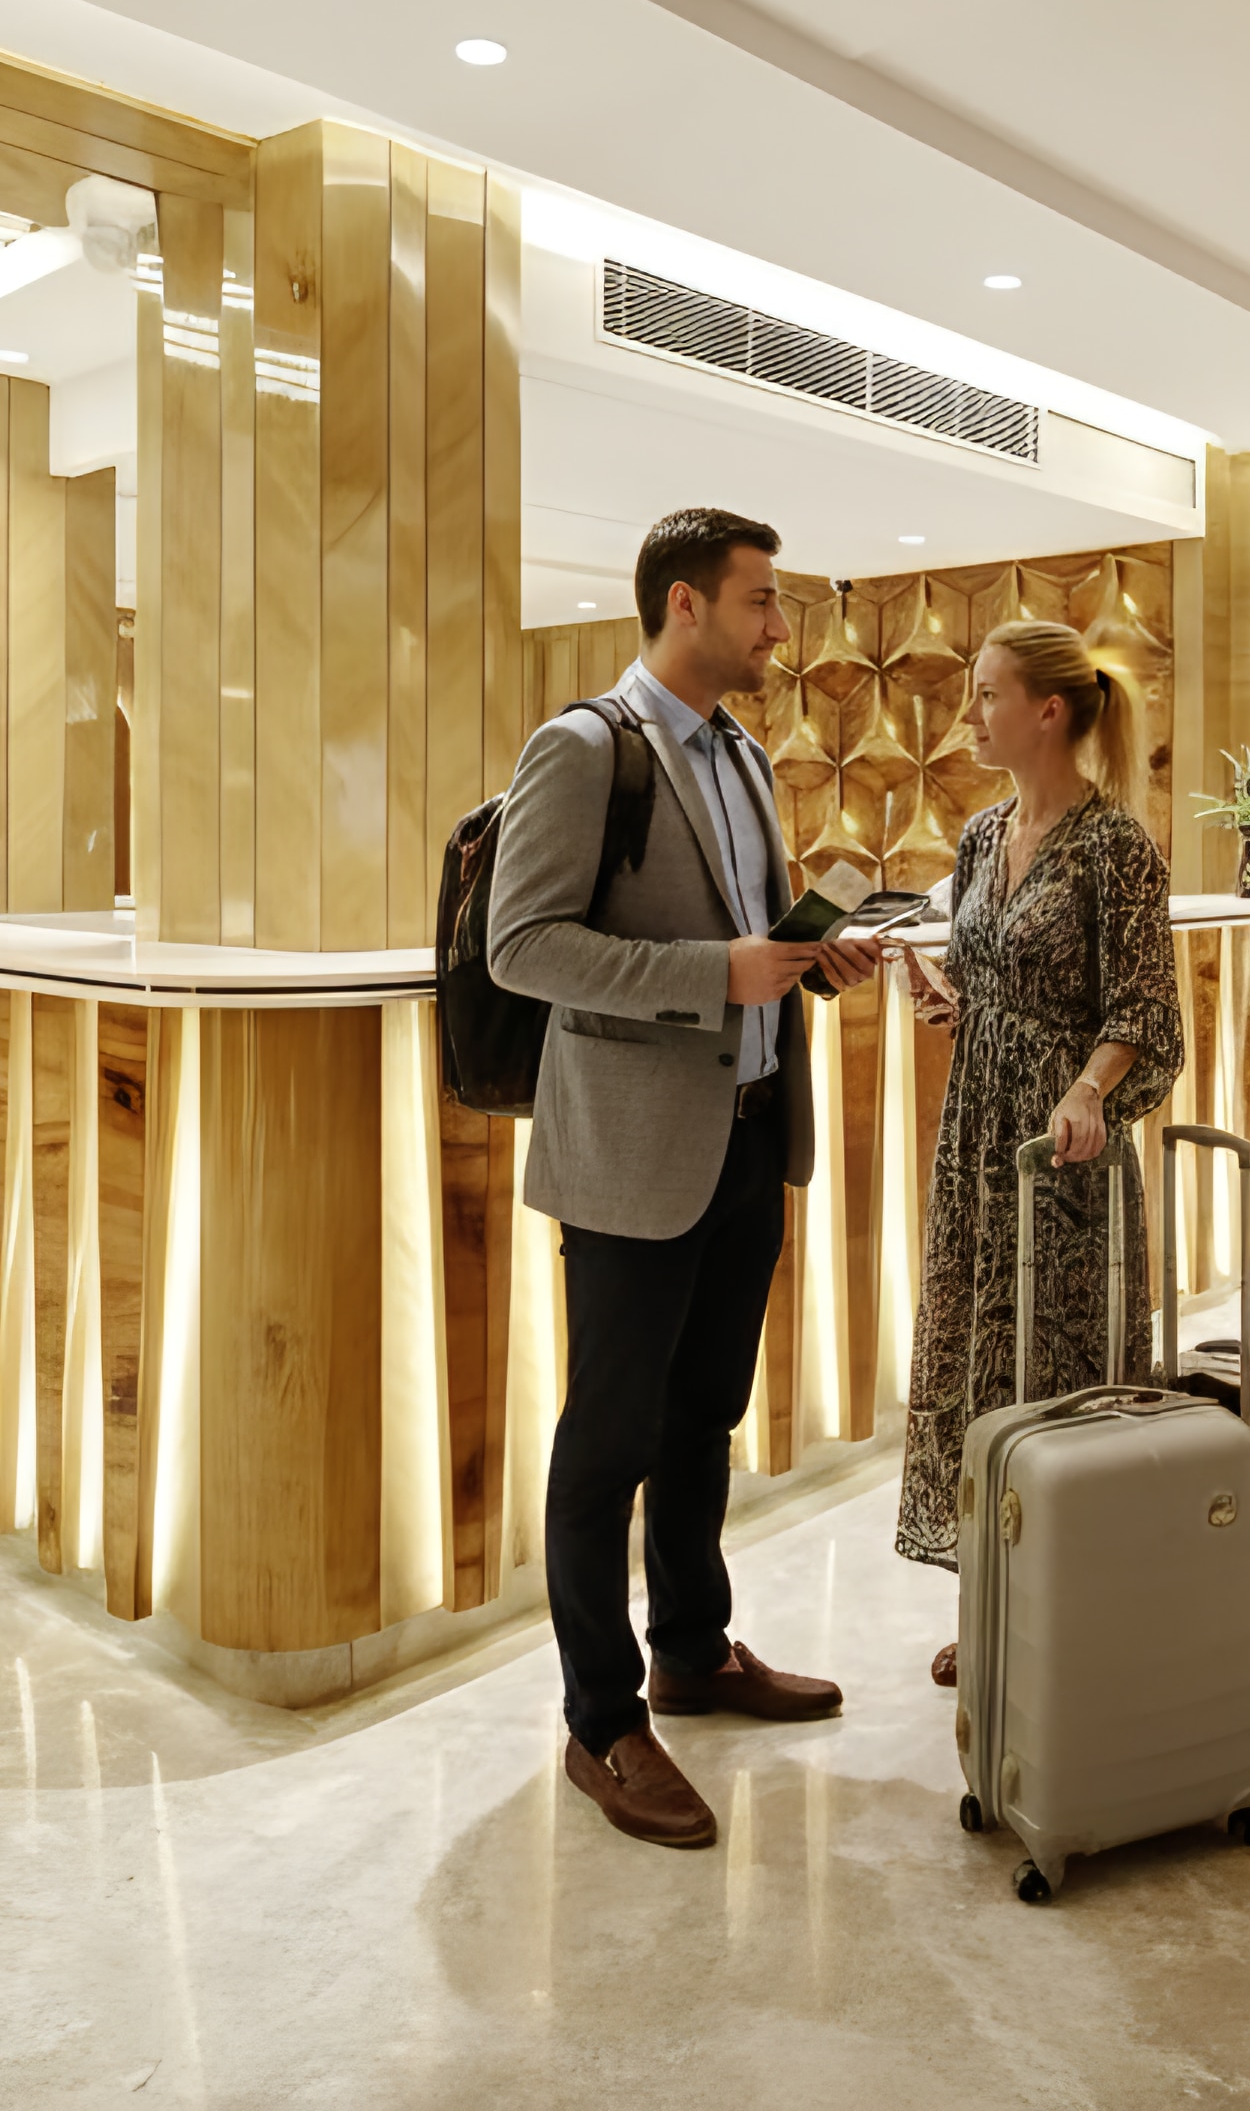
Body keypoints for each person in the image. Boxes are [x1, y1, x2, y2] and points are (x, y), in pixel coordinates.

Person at [486, 506, 885, 1850]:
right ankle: (602, 1718)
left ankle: (694, 1652)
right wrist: (715, 974)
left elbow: (748, 938)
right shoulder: (585, 747)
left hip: (750, 1136)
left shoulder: (747, 756)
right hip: (633, 1157)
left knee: (705, 1414)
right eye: (762, 600)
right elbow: (524, 946)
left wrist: (809, 958)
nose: (782, 626)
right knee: (609, 1440)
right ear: (685, 605)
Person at [890, 619, 1184, 1683]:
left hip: (1064, 1159)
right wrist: (949, 999)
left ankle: (1081, 1609)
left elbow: (1145, 1008)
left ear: (1048, 711)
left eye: (986, 694)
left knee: (1061, 1371)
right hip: (977, 1143)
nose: (968, 714)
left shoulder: (1116, 848)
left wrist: (1088, 1088)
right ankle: (994, 1602)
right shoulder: (979, 837)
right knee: (977, 1359)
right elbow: (993, 982)